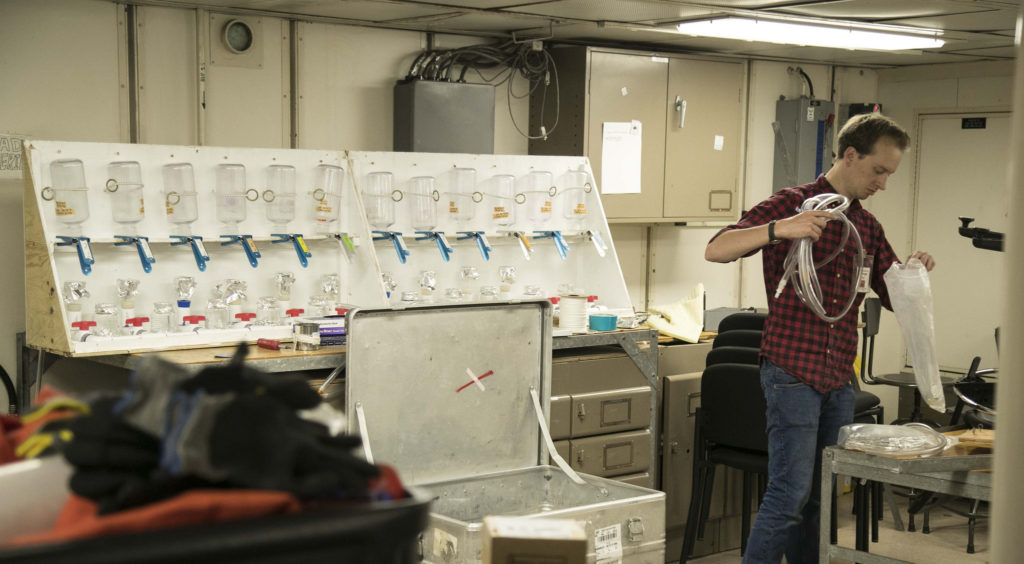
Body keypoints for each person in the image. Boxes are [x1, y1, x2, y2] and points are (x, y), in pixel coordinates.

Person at [704, 113, 935, 564]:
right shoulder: (792, 204)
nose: (883, 183)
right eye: (878, 171)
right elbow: (717, 248)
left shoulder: (865, 227)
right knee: (789, 494)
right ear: (850, 156)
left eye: (889, 174)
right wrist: (780, 229)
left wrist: (914, 271)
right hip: (793, 372)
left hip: (836, 379)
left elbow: (893, 295)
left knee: (821, 497)